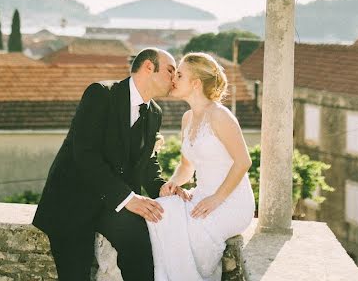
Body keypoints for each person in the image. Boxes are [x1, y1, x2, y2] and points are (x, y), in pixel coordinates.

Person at [33, 48, 176, 281]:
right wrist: (129, 198)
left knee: (140, 248)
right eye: (170, 71)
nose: (174, 79)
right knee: (74, 276)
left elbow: (147, 160)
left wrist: (162, 188)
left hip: (111, 204)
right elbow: (85, 154)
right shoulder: (101, 94)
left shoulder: (155, 113)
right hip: (72, 201)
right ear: (149, 67)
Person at [147, 52, 256, 281]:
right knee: (159, 213)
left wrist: (217, 199)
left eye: (179, 74)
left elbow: (243, 161)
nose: (173, 79)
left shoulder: (220, 115)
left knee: (193, 235)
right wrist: (172, 183)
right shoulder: (187, 118)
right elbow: (187, 166)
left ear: (195, 83)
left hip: (231, 202)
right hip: (200, 197)